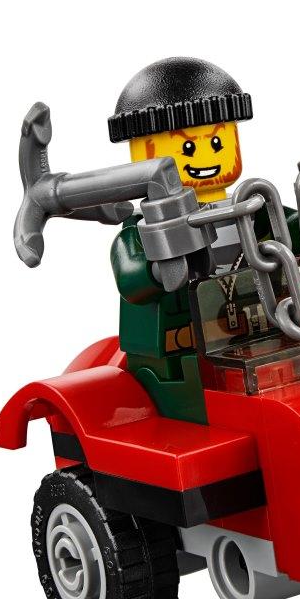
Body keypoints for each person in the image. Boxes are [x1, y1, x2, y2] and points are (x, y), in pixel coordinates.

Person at [106, 57, 254, 422]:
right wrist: (159, 269)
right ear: (140, 153)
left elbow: (294, 233)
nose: (204, 157)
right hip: (177, 353)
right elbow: (131, 278)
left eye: (216, 141)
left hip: (256, 332)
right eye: (186, 148)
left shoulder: (251, 206)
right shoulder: (140, 230)